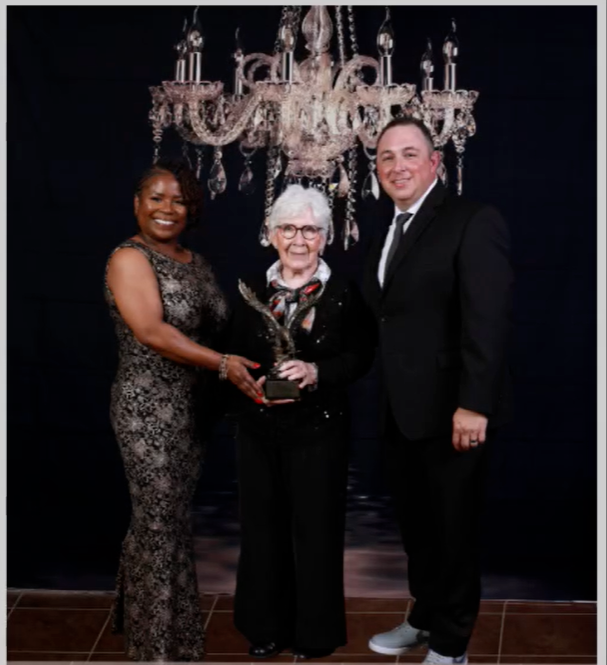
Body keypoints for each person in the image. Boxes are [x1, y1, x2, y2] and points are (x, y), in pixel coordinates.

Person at [363, 117, 513, 665]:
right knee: (419, 531)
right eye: (385, 157)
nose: (396, 166)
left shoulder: (472, 220)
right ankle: (425, 617)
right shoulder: (391, 228)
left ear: (434, 163)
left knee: (452, 533)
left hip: (454, 411)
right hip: (401, 412)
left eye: (409, 154)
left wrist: (474, 404)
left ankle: (451, 645)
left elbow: (488, 320)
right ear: (376, 170)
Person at [104, 158, 263, 661]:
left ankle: (163, 633)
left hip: (193, 412)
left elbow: (221, 329)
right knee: (157, 524)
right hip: (147, 410)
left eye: (179, 200)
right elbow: (152, 331)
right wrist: (222, 364)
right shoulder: (128, 259)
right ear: (137, 204)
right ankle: (155, 650)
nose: (168, 208)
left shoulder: (196, 263)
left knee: (166, 523)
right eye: (157, 197)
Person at [227, 184, 376, 660]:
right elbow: (230, 352)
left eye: (310, 229)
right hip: (257, 430)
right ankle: (265, 629)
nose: (298, 239)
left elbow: (362, 355)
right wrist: (245, 382)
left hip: (320, 430)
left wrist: (317, 371)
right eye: (288, 228)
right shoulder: (249, 288)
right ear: (272, 235)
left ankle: (314, 635)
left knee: (315, 532)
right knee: (262, 531)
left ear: (325, 238)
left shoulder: (345, 291)